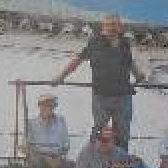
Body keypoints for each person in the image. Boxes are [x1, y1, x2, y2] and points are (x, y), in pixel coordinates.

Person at [52, 13, 146, 150]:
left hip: (123, 97)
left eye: (114, 24)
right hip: (101, 98)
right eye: (108, 25)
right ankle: (94, 164)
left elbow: (129, 61)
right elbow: (77, 61)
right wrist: (61, 77)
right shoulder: (94, 42)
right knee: (99, 133)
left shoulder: (125, 42)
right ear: (103, 27)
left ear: (119, 27)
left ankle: (119, 167)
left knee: (123, 135)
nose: (111, 28)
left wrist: (138, 75)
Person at [25, 93, 73, 168]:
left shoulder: (61, 120)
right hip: (40, 158)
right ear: (40, 106)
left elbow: (66, 144)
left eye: (52, 106)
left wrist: (59, 157)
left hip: (57, 156)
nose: (49, 109)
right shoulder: (31, 123)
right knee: (34, 165)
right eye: (46, 106)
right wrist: (45, 158)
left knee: (70, 167)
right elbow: (29, 146)